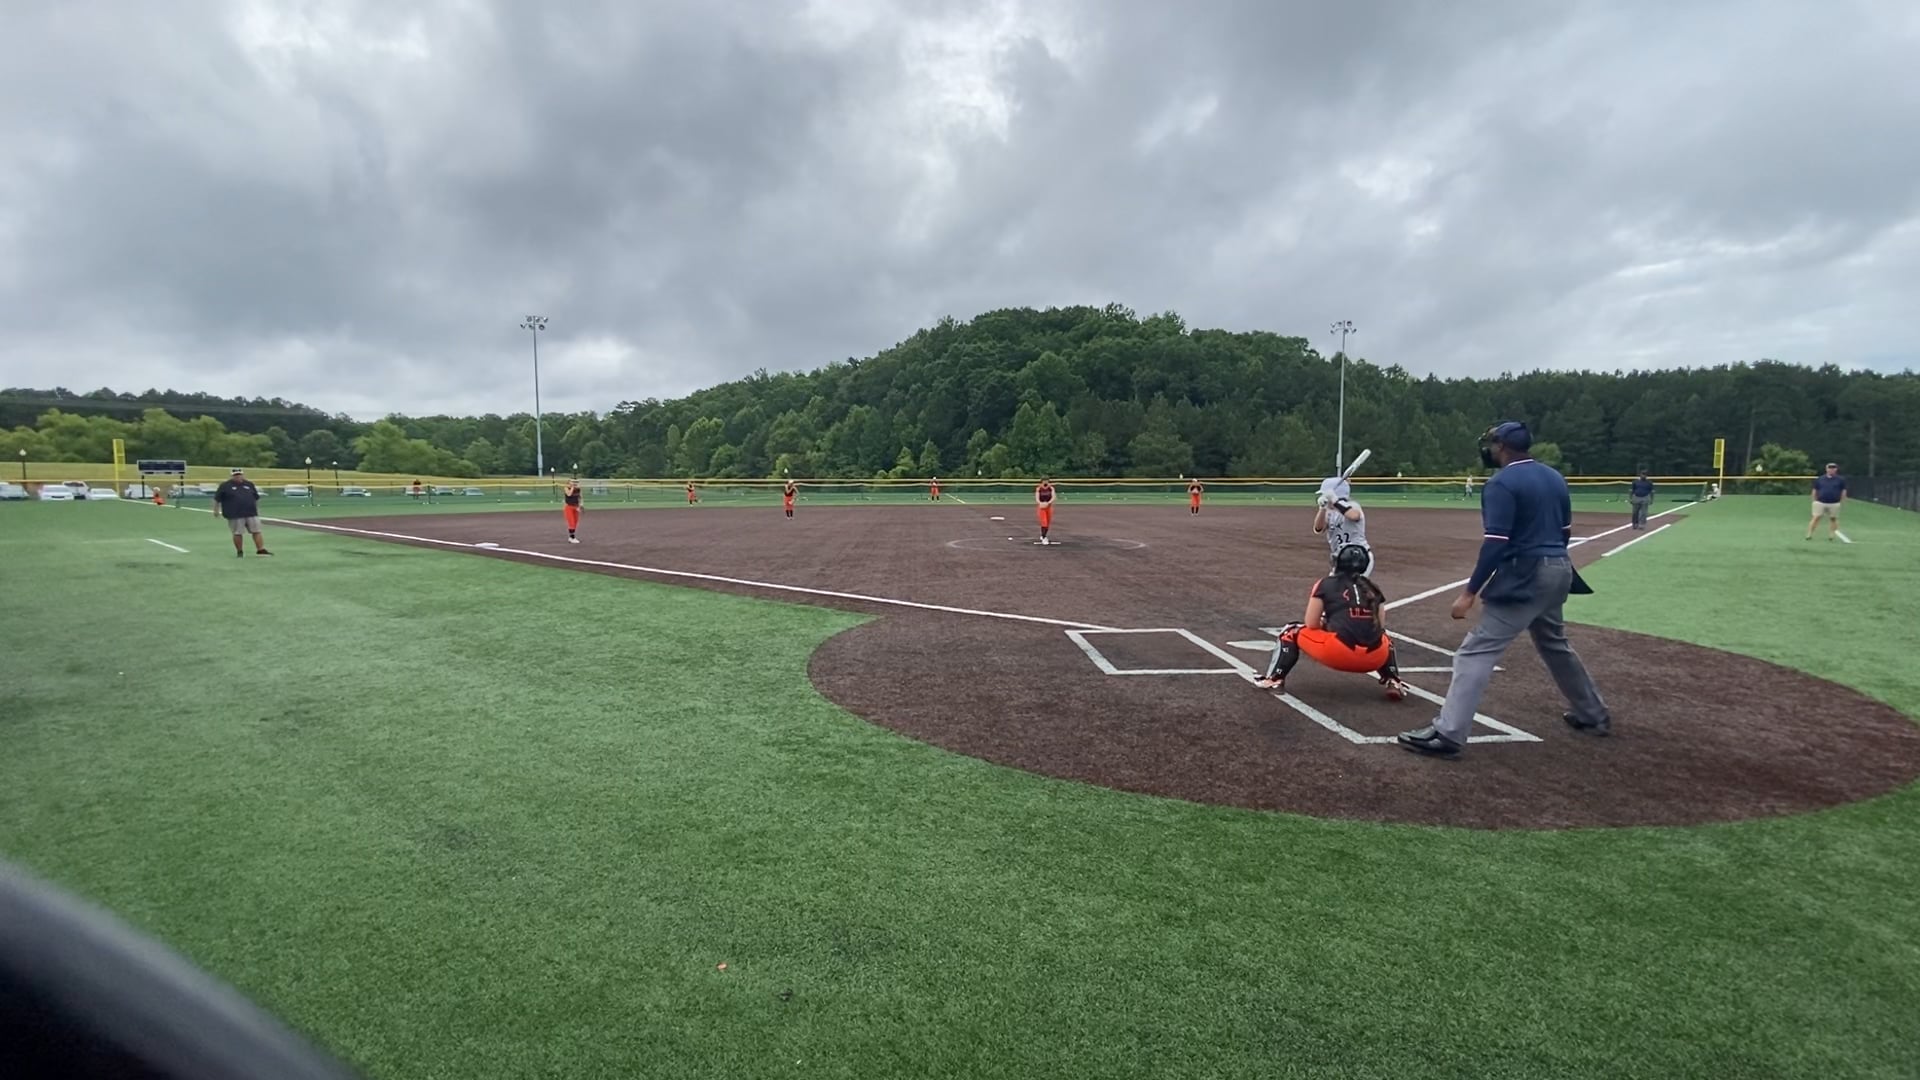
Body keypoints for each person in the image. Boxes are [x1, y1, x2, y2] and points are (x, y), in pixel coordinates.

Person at [1398, 421, 1610, 758]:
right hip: (1560, 569)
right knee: (1555, 644)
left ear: (1502, 447)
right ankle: (1593, 713)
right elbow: (1565, 532)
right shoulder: (1554, 477)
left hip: (1526, 574)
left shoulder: (1501, 483)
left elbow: (1496, 543)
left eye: (1492, 443)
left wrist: (1469, 592)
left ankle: (1448, 733)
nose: (1489, 449)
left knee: (1475, 651)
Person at [1254, 543, 1409, 700]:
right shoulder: (1373, 588)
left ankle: (1275, 679)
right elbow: (1380, 626)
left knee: (1291, 631)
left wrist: (1328, 623)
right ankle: (1393, 680)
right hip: (1375, 657)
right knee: (1385, 637)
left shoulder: (1326, 584)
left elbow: (1311, 623)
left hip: (1339, 653)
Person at [1312, 475, 1371, 575]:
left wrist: (1335, 501)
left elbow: (1354, 516)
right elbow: (1318, 528)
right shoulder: (1329, 512)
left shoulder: (1353, 506)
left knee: (1354, 583)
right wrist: (1322, 509)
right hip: (1340, 558)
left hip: (1359, 556)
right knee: (1333, 584)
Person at [212, 467, 271, 558]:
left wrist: (257, 509)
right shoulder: (225, 486)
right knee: (238, 533)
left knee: (257, 531)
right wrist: (216, 510)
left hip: (251, 512)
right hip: (235, 514)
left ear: (242, 475)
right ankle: (240, 551)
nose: (238, 476)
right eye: (235, 475)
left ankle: (261, 549)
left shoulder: (249, 484)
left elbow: (255, 498)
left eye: (239, 474)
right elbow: (217, 499)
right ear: (232, 476)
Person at [1806, 462, 1846, 540]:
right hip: (1820, 502)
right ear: (1826, 469)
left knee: (1833, 518)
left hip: (1834, 503)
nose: (1831, 470)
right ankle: (1809, 534)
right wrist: (1814, 500)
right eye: (1830, 468)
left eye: (1833, 468)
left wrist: (1841, 501)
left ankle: (1832, 535)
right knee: (1816, 517)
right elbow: (1815, 490)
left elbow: (1843, 491)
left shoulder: (1840, 480)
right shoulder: (1820, 479)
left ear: (1836, 469)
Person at [1034, 476, 1057, 545]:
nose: (1045, 482)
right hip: (1041, 507)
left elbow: (1053, 497)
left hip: (1048, 507)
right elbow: (1037, 498)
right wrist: (1041, 503)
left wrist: (1048, 503)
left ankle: (1043, 535)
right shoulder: (1039, 488)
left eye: (1046, 480)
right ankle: (1044, 537)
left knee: (1048, 523)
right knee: (1044, 522)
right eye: (1044, 480)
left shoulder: (1051, 488)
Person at [562, 478, 582, 543]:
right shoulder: (566, 488)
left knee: (575, 522)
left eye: (574, 482)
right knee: (571, 522)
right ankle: (572, 537)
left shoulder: (578, 489)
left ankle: (571, 537)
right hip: (569, 507)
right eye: (571, 482)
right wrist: (572, 488)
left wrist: (580, 505)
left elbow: (580, 497)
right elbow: (569, 494)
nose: (573, 483)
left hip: (575, 507)